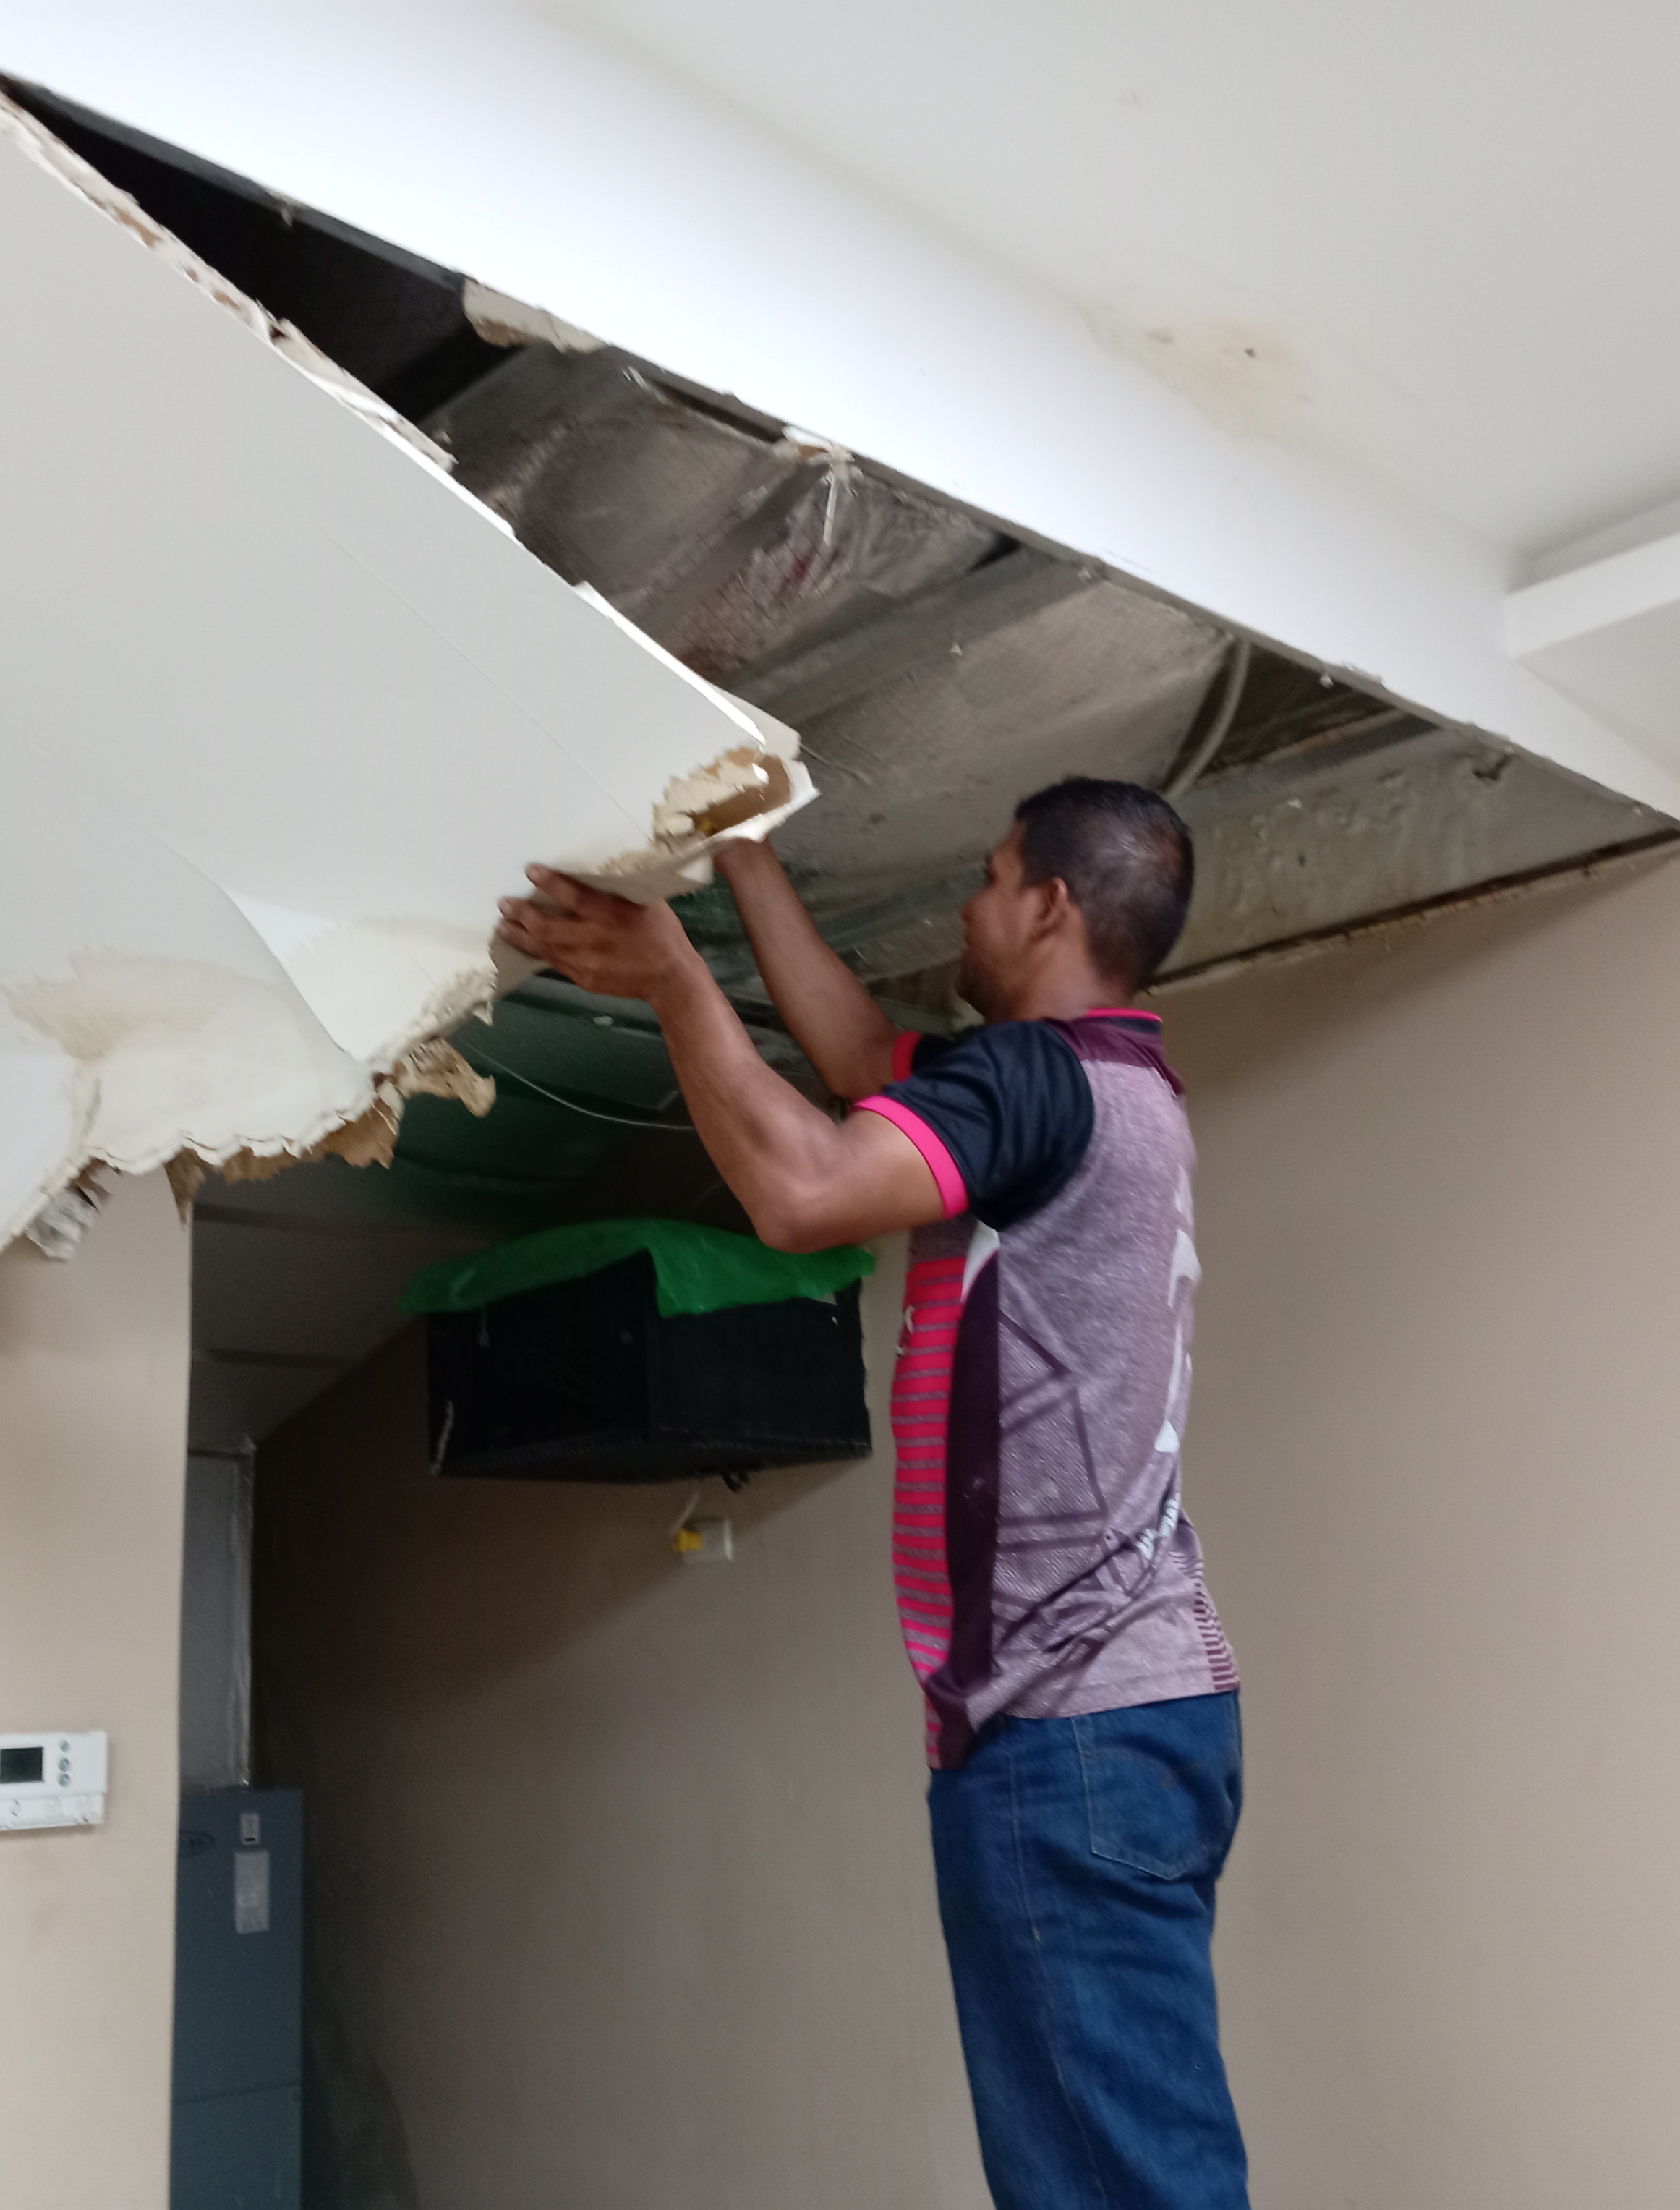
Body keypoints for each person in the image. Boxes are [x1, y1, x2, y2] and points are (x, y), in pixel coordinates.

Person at [497, 776, 1248, 2210]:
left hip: (1068, 1727)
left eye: (992, 876)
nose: (967, 903)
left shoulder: (1041, 1084)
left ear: (1050, 905)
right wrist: (742, 853)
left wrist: (674, 979)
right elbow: (857, 1061)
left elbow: (804, 1190)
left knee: (1115, 2187)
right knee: (1110, 2169)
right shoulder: (1112, 1090)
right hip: (1129, 1717)